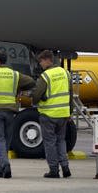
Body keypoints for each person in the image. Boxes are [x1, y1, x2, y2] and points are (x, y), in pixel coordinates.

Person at [0, 51, 35, 178]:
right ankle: (0, 171)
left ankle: (5, 163)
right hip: (11, 112)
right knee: (7, 141)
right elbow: (31, 82)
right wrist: (19, 89)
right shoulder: (15, 75)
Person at [32, 49, 73, 178]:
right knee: (61, 141)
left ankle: (54, 170)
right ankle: (65, 168)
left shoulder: (45, 76)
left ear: (47, 60)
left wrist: (34, 100)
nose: (40, 64)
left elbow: (37, 94)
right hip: (63, 114)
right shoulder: (65, 73)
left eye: (41, 61)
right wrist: (69, 111)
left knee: (50, 142)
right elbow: (70, 94)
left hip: (48, 114)